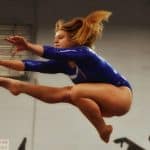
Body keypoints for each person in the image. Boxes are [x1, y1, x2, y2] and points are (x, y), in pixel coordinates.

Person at [0, 10, 133, 143]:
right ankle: (17, 86)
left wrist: (28, 45)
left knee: (76, 91)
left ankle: (102, 128)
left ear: (75, 38)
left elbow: (53, 53)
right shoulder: (65, 64)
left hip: (121, 96)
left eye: (61, 37)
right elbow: (32, 65)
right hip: (102, 105)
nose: (55, 41)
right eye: (55, 38)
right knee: (64, 93)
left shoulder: (85, 53)